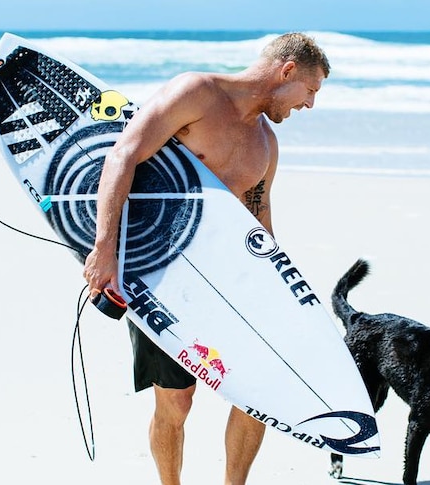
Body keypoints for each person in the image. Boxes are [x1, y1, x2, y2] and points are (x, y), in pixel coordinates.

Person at [82, 33, 330, 485]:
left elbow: (259, 221)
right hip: (159, 273)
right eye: (311, 91)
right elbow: (123, 155)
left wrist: (282, 290)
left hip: (225, 281)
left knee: (258, 393)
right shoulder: (196, 93)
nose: (310, 105)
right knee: (175, 401)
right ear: (287, 71)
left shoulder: (267, 145)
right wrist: (105, 247)